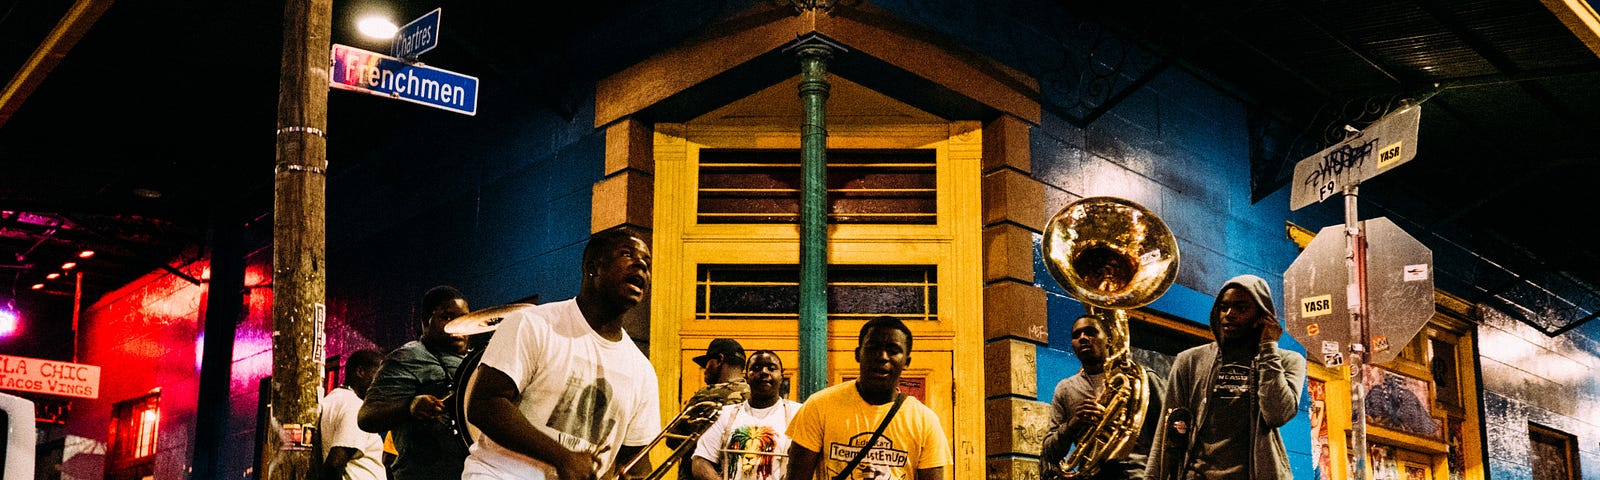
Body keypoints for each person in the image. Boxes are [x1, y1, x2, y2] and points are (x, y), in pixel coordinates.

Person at [461, 227, 662, 480]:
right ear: (593, 267)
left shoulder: (642, 372)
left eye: (647, 263)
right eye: (627, 255)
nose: (641, 267)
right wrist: (562, 457)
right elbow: (484, 405)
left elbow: (635, 462)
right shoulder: (532, 324)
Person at [1145, 274, 1306, 480]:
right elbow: (1167, 431)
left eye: (1241, 308)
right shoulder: (1190, 361)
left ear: (1262, 316)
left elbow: (1277, 414)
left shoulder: (1288, 361)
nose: (1229, 314)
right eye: (1223, 307)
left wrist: (1268, 349)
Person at [785, 316, 950, 480]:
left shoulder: (924, 421)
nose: (882, 357)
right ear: (858, 354)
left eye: (893, 350)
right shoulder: (819, 406)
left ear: (906, 362)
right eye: (873, 347)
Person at [358, 285, 473, 480]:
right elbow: (367, 417)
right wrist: (409, 407)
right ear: (424, 323)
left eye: (463, 318)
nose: (458, 326)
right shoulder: (408, 357)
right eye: (447, 317)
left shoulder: (474, 363)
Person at [1040, 315, 1166, 480]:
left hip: (1139, 474)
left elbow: (1168, 431)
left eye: (1091, 332)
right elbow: (1049, 452)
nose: (1083, 338)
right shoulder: (1065, 388)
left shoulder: (1141, 378)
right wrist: (1073, 424)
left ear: (1108, 340)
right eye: (1076, 335)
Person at [691, 350, 802, 480]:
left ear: (781, 376)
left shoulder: (798, 413)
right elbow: (700, 461)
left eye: (771, 368)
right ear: (746, 377)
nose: (764, 372)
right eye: (756, 368)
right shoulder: (726, 415)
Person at [675, 338, 750, 479]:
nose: (705, 369)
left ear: (719, 360)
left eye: (707, 363)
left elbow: (674, 440)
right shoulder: (755, 397)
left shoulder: (706, 395)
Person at [321, 348, 389, 480]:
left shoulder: (332, 400)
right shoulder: (355, 406)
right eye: (380, 376)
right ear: (360, 372)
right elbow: (335, 464)